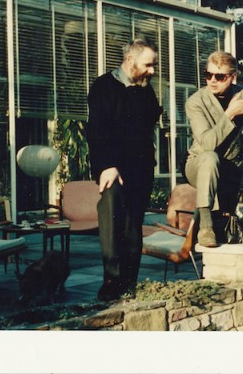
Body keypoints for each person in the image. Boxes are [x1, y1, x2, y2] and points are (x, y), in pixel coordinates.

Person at [87, 38, 162, 301]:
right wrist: (107, 166)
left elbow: (148, 122)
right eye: (148, 65)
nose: (152, 71)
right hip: (112, 169)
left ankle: (129, 284)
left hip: (140, 169)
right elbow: (97, 130)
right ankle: (112, 281)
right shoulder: (103, 86)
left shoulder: (145, 89)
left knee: (133, 226)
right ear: (130, 61)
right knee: (112, 217)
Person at [184, 51, 243, 247]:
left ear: (233, 76)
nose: (212, 81)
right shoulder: (195, 102)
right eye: (208, 75)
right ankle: (205, 227)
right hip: (199, 164)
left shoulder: (241, 96)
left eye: (220, 77)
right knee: (210, 157)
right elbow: (206, 144)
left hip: (229, 165)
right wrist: (229, 114)